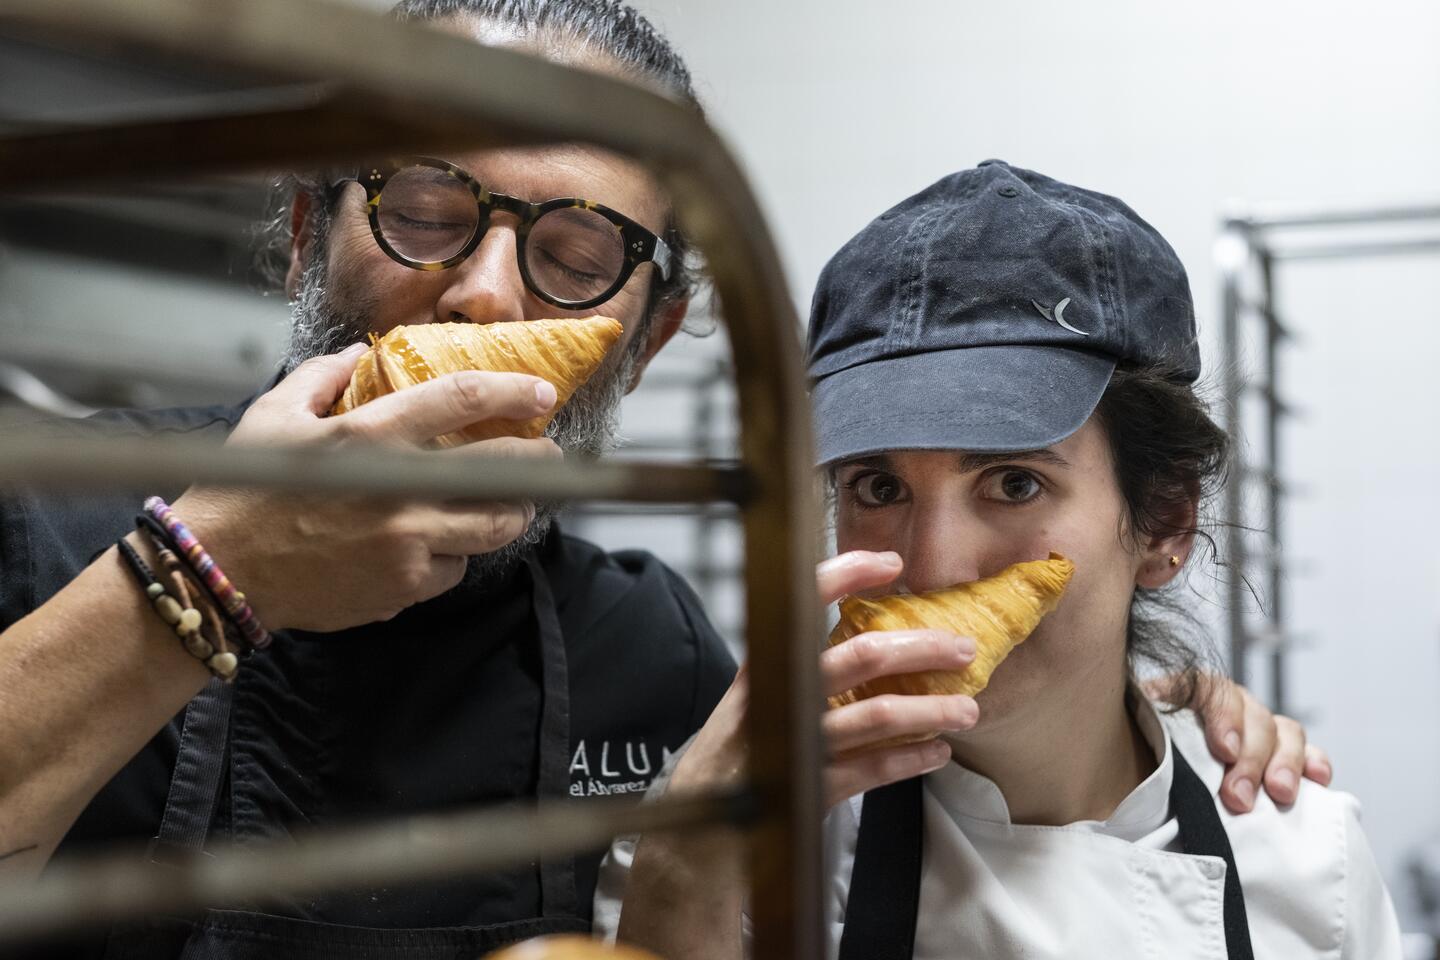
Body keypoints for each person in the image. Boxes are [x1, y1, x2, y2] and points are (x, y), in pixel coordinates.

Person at [0, 1, 1322, 954]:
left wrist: (1127, 697)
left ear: (650, 337)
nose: (481, 292)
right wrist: (198, 582)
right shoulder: (46, 510)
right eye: (424, 209)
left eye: (576, 253)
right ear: (304, 234)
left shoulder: (652, 651)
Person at [601, 161, 1400, 959]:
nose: (935, 565)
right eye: (879, 486)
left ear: (1164, 523)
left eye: (1014, 483)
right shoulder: (728, 852)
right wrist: (685, 865)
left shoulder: (1309, 869)